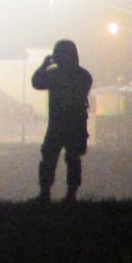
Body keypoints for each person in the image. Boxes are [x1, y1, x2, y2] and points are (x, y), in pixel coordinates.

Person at [32, 39, 93, 203]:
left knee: (52, 158)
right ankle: (68, 195)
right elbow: (37, 83)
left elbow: (37, 82)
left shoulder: (54, 75)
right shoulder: (84, 76)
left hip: (59, 124)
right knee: (69, 159)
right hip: (74, 124)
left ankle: (48, 194)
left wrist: (44, 65)